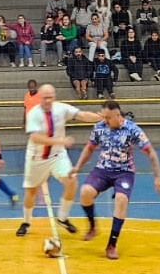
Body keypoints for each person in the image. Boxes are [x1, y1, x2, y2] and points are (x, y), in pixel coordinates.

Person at [70, 101, 160, 260]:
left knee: (121, 200)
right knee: (85, 192)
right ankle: (93, 226)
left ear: (118, 115)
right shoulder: (99, 127)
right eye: (103, 117)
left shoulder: (132, 130)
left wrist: (158, 176)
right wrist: (77, 167)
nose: (105, 120)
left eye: (108, 117)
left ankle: (111, 244)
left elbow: (151, 153)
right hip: (102, 169)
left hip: (124, 172)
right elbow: (89, 148)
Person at [18, 83, 102, 238]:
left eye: (50, 97)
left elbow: (81, 115)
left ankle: (62, 217)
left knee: (72, 181)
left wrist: (100, 118)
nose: (48, 101)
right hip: (37, 158)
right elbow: (35, 137)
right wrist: (60, 141)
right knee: (31, 191)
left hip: (57, 156)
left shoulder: (61, 108)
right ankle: (26, 222)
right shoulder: (34, 114)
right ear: (40, 98)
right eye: (45, 98)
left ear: (54, 97)